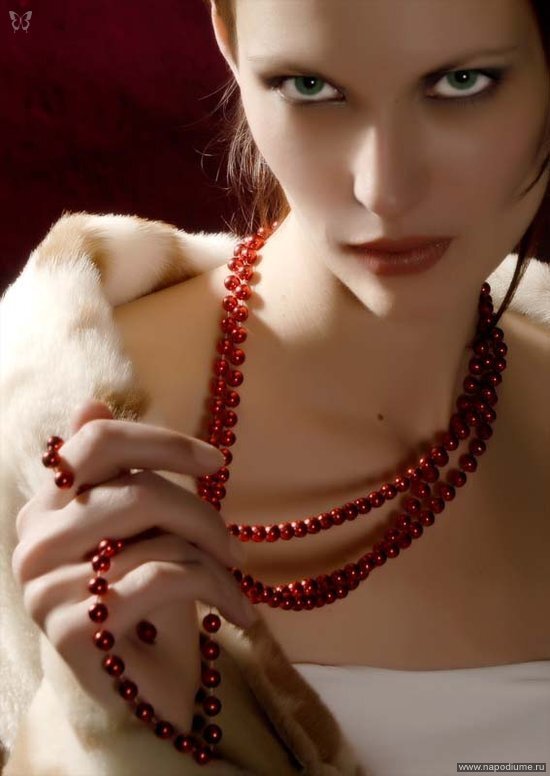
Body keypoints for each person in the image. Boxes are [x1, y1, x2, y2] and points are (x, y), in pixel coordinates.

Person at [1, 1, 549, 773]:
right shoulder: (47, 428)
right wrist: (107, 738)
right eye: (310, 86)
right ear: (230, 43)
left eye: (462, 82)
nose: (384, 189)